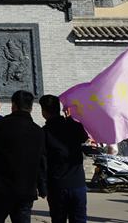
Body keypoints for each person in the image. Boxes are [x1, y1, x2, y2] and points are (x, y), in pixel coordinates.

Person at [0, 90, 47, 223]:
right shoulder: (39, 132)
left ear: (13, 106)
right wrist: (43, 188)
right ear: (31, 109)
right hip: (26, 191)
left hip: (0, 189)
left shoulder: (2, 125)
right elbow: (41, 163)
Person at [39, 95, 89, 223]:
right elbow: (84, 136)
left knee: (58, 219)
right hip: (77, 184)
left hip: (57, 185)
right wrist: (71, 118)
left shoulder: (44, 132)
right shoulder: (74, 127)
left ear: (44, 111)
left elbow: (43, 161)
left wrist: (42, 187)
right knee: (79, 219)